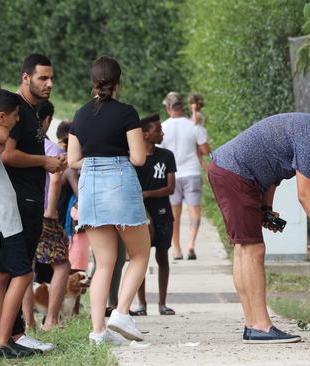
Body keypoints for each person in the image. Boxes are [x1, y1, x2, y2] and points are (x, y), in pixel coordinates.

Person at [208, 105, 310, 343]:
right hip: (236, 174)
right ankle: (260, 326)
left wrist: (265, 209)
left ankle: (253, 323)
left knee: (244, 248)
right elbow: (305, 195)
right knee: (252, 249)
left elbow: (275, 173)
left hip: (232, 172)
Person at [67, 56, 150, 345]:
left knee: (103, 264)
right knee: (140, 254)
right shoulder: (126, 113)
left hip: (89, 183)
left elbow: (72, 160)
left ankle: (98, 332)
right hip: (120, 180)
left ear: (93, 82)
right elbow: (139, 158)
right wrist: (115, 158)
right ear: (119, 81)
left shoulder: (79, 115)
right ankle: (122, 313)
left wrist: (96, 160)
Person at [1, 53, 63, 352]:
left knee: (22, 266)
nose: (49, 83)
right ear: (26, 78)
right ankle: (11, 336)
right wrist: (44, 161)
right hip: (17, 198)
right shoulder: (15, 110)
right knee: (18, 268)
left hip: (31, 198)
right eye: (42, 78)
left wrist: (50, 163)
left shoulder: (32, 110)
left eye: (51, 78)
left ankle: (13, 334)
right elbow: (6, 154)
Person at [0, 90, 39, 360]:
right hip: (3, 221)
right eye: (16, 116)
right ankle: (1, 340)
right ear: (3, 115)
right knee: (23, 274)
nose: (18, 121)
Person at [131, 114, 176, 316]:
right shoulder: (133, 158)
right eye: (158, 130)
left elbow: (170, 187)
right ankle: (142, 304)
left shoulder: (166, 156)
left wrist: (148, 193)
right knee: (140, 258)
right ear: (146, 134)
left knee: (163, 256)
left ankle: (162, 303)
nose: (162, 133)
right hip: (140, 215)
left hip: (162, 213)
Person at [160, 92, 210, 260]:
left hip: (172, 176)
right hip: (193, 173)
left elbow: (158, 151)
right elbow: (205, 151)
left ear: (168, 108)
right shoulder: (194, 126)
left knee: (174, 216)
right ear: (182, 106)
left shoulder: (163, 128)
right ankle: (191, 246)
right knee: (194, 212)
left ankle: (177, 251)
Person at [34, 100, 71, 331]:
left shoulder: (19, 147)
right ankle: (51, 320)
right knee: (62, 265)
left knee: (26, 267)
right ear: (47, 120)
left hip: (23, 211)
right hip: (45, 213)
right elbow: (56, 179)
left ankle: (28, 321)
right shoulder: (51, 149)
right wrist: (51, 211)